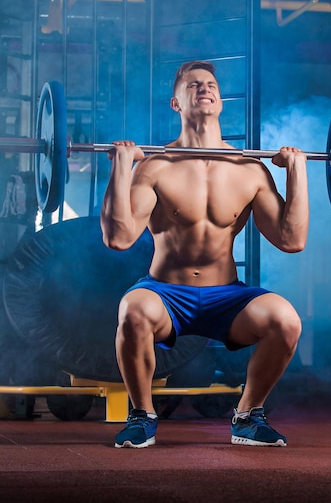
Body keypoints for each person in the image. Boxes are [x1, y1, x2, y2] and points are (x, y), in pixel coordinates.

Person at [100, 60, 309, 448]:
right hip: (166, 293)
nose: (204, 88)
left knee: (286, 321)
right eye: (193, 85)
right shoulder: (156, 166)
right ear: (175, 103)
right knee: (133, 310)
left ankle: (247, 416)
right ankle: (141, 416)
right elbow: (119, 238)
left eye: (210, 83)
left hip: (226, 296)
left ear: (220, 99)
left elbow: (291, 240)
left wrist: (297, 172)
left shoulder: (249, 169)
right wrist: (122, 171)